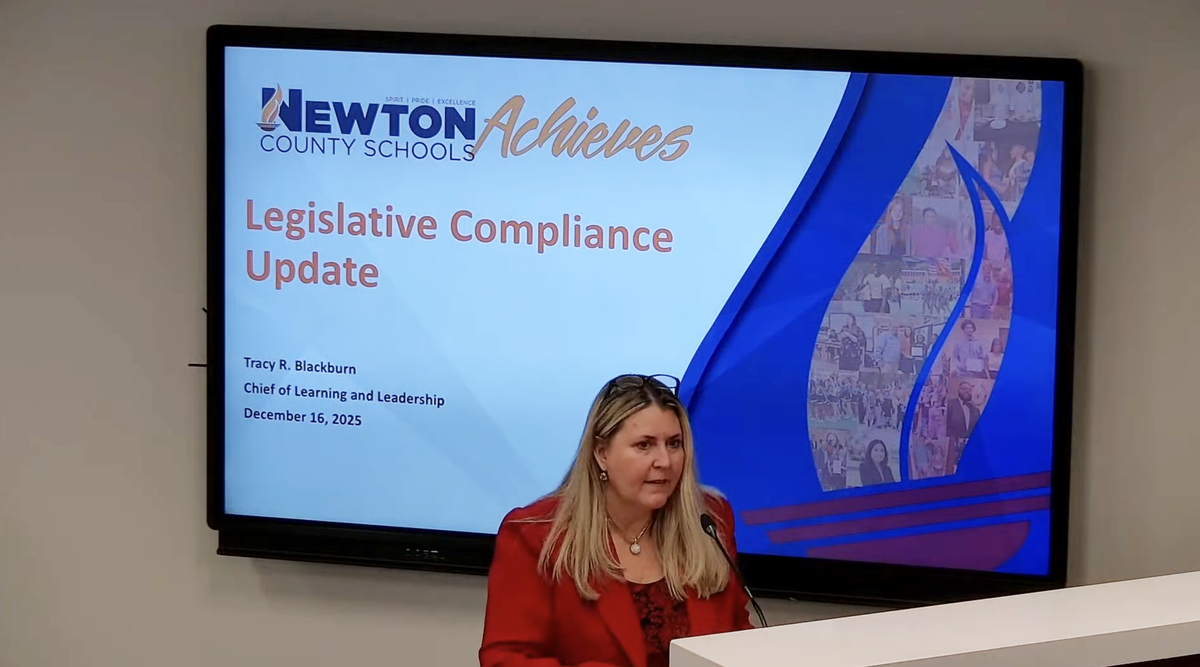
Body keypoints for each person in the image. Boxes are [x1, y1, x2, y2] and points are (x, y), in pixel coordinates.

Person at [479, 374, 753, 667]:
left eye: (674, 443)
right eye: (644, 445)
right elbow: (505, 660)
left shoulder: (709, 519)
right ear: (602, 454)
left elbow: (738, 639)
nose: (665, 461)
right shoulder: (534, 536)